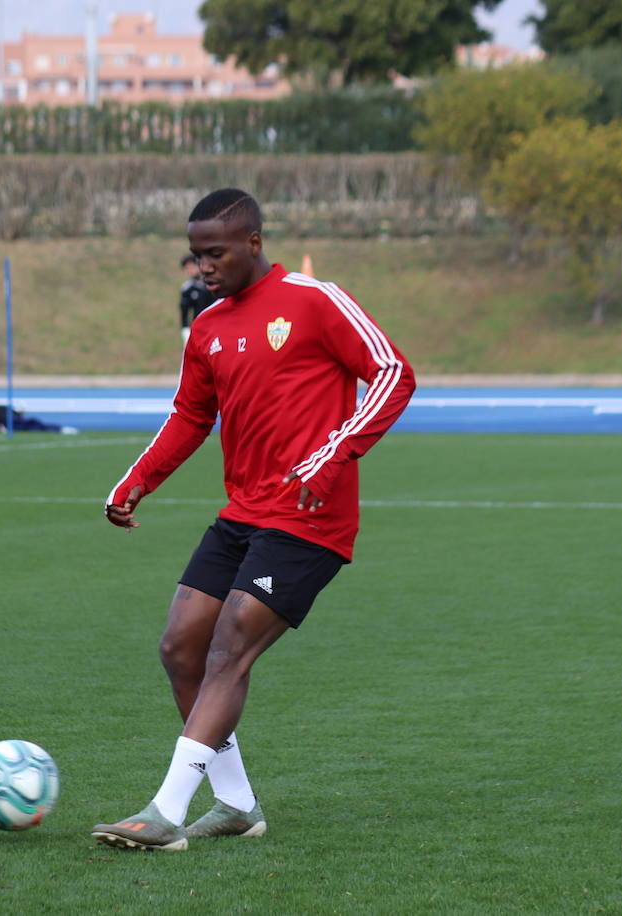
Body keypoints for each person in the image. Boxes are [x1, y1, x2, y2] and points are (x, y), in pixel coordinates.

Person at [94, 189, 416, 851]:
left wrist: (335, 453)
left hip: (309, 516)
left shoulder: (314, 299)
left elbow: (392, 371)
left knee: (229, 647)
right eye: (196, 254)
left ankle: (165, 812)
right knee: (180, 647)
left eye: (216, 252)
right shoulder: (209, 326)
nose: (204, 266)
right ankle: (236, 803)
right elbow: (189, 416)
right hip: (243, 514)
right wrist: (137, 481)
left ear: (254, 243)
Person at [178, 252, 212, 345]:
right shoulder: (187, 289)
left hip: (215, 326)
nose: (190, 271)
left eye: (192, 267)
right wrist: (186, 333)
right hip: (200, 329)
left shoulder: (212, 284)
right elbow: (184, 313)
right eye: (187, 269)